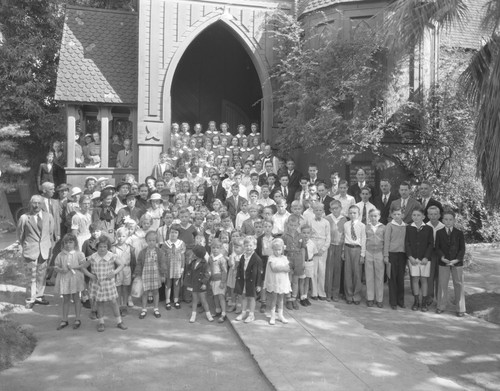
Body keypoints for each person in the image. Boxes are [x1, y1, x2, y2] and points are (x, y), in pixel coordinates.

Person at [82, 235, 127, 332]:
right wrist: (90, 275)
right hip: (97, 284)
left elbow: (122, 265)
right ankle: (101, 322)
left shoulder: (111, 256)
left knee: (114, 302)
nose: (102, 249)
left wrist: (114, 273)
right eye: (100, 246)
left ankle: (119, 321)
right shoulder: (93, 257)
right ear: (97, 247)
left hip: (109, 284)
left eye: (105, 247)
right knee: (100, 303)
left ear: (108, 247)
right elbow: (83, 267)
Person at [17, 195, 55, 308]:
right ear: (30, 204)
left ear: (42, 204)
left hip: (44, 250)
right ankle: (30, 299)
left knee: (41, 275)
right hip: (30, 250)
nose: (36, 205)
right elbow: (20, 235)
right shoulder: (24, 217)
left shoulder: (49, 216)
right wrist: (23, 247)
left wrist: (48, 247)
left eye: (39, 203)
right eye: (34, 203)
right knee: (31, 276)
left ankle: (39, 296)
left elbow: (51, 233)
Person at [435, 210, 466, 317]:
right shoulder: (439, 233)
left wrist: (457, 260)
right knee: (442, 284)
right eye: (446, 219)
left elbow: (462, 249)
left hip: (457, 263)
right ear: (443, 220)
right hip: (443, 262)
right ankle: (441, 306)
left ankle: (460, 308)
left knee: (459, 284)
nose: (448, 222)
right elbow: (437, 247)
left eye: (450, 219)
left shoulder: (459, 233)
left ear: (454, 220)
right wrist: (442, 257)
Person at [53, 233, 86, 330]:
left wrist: (74, 267)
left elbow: (83, 265)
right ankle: (64, 319)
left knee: (76, 298)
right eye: (66, 242)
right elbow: (56, 265)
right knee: (65, 299)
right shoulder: (60, 255)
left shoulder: (79, 254)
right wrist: (59, 269)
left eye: (70, 242)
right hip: (65, 279)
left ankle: (77, 318)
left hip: (75, 279)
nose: (68, 244)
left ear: (75, 243)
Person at [405, 208, 434, 312]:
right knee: (415, 279)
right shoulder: (408, 228)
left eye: (418, 215)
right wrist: (410, 257)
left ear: (423, 217)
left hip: (425, 259)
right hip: (413, 258)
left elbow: (431, 244)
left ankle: (424, 302)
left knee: (424, 279)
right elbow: (407, 243)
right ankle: (416, 301)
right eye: (414, 215)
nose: (416, 217)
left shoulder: (428, 229)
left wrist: (426, 257)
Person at [135, 231, 167, 320]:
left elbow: (163, 264)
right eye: (149, 240)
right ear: (146, 241)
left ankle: (156, 308)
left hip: (156, 274)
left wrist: (163, 274)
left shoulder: (159, 252)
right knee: (144, 292)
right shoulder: (142, 252)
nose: (151, 242)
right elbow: (139, 263)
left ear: (156, 241)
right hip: (145, 274)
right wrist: (138, 274)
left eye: (153, 240)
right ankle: (144, 309)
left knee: (155, 292)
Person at [305, 202, 330, 301]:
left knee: (322, 270)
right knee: (314, 271)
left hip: (323, 247)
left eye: (320, 210)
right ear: (313, 211)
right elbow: (309, 235)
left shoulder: (326, 222)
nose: (318, 212)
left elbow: (328, 237)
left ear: (323, 211)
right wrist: (313, 249)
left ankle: (321, 292)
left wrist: (323, 249)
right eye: (316, 210)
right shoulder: (310, 221)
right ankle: (314, 292)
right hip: (314, 245)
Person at [234, 236, 263, 323]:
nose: (248, 247)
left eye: (250, 245)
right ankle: (243, 313)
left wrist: (258, 284)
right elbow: (239, 269)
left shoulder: (257, 259)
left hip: (252, 281)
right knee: (243, 296)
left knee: (252, 297)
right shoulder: (243, 257)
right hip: (243, 280)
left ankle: (251, 314)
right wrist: (238, 279)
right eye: (246, 245)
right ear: (244, 246)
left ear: (255, 246)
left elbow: (259, 273)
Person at [264, 238, 291, 325]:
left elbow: (288, 269)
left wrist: (281, 268)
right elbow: (274, 269)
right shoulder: (271, 258)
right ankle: (272, 316)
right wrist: (282, 268)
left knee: (281, 299)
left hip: (282, 282)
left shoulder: (284, 258)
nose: (277, 252)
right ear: (272, 249)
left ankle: (280, 315)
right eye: (275, 250)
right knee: (274, 298)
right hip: (275, 282)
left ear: (282, 249)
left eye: (279, 250)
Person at [384, 207, 407, 310]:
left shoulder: (406, 226)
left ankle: (400, 301)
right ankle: (393, 301)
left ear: (402, 215)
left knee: (400, 278)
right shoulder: (390, 225)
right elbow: (387, 241)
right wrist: (386, 255)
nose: (397, 216)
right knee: (392, 278)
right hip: (392, 254)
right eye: (395, 214)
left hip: (402, 255)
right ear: (392, 215)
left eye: (399, 214)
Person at [343, 205, 366, 305]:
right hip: (348, 248)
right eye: (350, 213)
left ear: (359, 214)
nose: (352, 215)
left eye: (354, 213)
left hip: (357, 249)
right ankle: (348, 295)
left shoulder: (362, 226)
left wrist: (362, 255)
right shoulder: (346, 224)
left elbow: (364, 240)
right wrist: (343, 251)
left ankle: (356, 295)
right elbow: (344, 237)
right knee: (347, 272)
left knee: (357, 273)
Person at [364, 208, 386, 308]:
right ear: (369, 217)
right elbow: (364, 241)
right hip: (368, 252)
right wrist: (363, 253)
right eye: (371, 216)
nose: (373, 218)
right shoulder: (366, 227)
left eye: (375, 216)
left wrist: (385, 255)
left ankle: (379, 299)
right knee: (369, 276)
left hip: (379, 252)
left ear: (379, 217)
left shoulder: (383, 227)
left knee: (379, 276)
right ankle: (370, 298)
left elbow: (386, 242)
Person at [325, 200, 346, 302]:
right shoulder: (327, 219)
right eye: (332, 209)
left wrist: (343, 250)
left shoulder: (344, 219)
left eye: (336, 208)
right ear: (330, 209)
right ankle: (328, 293)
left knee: (338, 270)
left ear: (340, 208)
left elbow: (346, 235)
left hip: (340, 246)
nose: (335, 210)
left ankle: (335, 293)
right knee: (329, 270)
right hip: (330, 246)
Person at [282, 215, 305, 310]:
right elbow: (282, 250)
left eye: (295, 225)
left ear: (298, 225)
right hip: (288, 259)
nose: (293, 227)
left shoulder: (301, 236)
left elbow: (303, 248)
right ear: (288, 225)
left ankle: (294, 298)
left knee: (295, 281)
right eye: (291, 225)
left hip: (298, 259)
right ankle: (288, 299)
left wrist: (303, 261)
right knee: (288, 280)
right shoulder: (284, 236)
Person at [185, 245, 213, 323]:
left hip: (201, 285)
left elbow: (207, 274)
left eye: (194, 253)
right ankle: (193, 315)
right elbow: (188, 270)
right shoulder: (193, 262)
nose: (192, 254)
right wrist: (189, 261)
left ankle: (208, 314)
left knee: (204, 300)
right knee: (194, 300)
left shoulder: (205, 264)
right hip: (194, 284)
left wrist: (204, 283)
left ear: (198, 254)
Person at [112, 227, 135, 316]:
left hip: (127, 269)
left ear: (127, 237)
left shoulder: (131, 248)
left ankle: (124, 306)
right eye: (118, 236)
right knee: (118, 289)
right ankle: (118, 307)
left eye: (123, 236)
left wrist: (134, 272)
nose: (120, 238)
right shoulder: (113, 248)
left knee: (125, 288)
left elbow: (133, 261)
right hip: (117, 270)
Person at [162, 224, 185, 310]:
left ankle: (176, 300)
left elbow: (183, 257)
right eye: (172, 232)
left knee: (176, 284)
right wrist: (163, 268)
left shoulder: (181, 244)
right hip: (168, 267)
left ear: (178, 234)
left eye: (175, 232)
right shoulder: (165, 244)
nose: (173, 234)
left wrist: (182, 267)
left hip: (177, 267)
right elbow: (162, 257)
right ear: (169, 233)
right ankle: (167, 301)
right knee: (168, 284)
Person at [426, 205, 445, 306]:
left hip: (440, 253)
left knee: (440, 276)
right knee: (430, 276)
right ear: (428, 215)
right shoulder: (425, 226)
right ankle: (429, 297)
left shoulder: (442, 226)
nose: (433, 216)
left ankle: (439, 299)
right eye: (431, 214)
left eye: (435, 214)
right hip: (430, 253)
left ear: (439, 215)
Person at [209, 239, 228, 322]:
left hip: (220, 280)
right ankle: (217, 310)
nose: (215, 249)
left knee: (221, 296)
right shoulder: (211, 257)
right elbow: (209, 268)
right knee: (215, 296)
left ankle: (223, 313)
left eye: (217, 248)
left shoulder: (222, 259)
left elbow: (224, 271)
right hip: (213, 280)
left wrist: (223, 282)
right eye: (213, 247)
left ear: (221, 249)